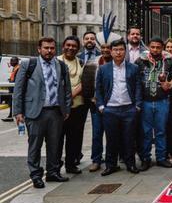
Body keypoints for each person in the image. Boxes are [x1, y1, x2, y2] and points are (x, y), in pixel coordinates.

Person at [13, 37, 72, 188]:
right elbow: (18, 89)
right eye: (46, 48)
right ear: (39, 49)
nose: (49, 51)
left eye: (52, 48)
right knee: (35, 145)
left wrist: (66, 108)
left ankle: (52, 172)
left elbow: (66, 89)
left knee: (54, 145)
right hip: (35, 113)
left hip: (56, 112)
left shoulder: (61, 65)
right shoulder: (29, 65)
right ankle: (36, 175)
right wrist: (18, 111)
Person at [95, 39, 141, 176]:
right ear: (111, 52)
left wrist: (137, 106)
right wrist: (102, 106)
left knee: (129, 138)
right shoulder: (103, 69)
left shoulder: (133, 68)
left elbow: (138, 87)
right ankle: (111, 165)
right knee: (111, 139)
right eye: (115, 50)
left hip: (129, 108)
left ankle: (130, 163)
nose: (118, 52)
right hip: (111, 109)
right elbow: (99, 89)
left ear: (125, 51)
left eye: (121, 49)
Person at [81, 20, 121, 172]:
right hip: (97, 105)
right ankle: (96, 159)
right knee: (97, 133)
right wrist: (92, 99)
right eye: (103, 47)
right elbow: (86, 82)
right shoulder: (93, 63)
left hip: (114, 104)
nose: (105, 50)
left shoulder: (119, 63)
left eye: (107, 48)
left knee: (113, 135)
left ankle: (113, 160)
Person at [135, 38, 172, 170]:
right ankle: (145, 158)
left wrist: (170, 83)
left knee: (161, 131)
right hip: (145, 102)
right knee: (146, 132)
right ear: (149, 47)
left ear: (162, 48)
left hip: (162, 101)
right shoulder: (140, 61)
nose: (155, 49)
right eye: (153, 47)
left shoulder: (169, 61)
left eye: (158, 47)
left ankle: (161, 158)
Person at [57, 36, 86, 174]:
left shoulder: (80, 62)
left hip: (77, 106)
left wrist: (73, 94)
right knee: (57, 138)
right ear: (63, 46)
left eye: (74, 46)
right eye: (68, 45)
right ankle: (55, 166)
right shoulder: (56, 61)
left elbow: (84, 81)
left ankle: (71, 164)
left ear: (78, 48)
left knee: (73, 137)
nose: (71, 48)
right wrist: (66, 96)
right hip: (59, 107)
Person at [2, 57, 20, 122]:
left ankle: (12, 116)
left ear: (17, 61)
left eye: (12, 61)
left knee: (14, 102)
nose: (11, 62)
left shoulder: (18, 68)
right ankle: (10, 116)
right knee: (11, 102)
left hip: (15, 89)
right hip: (12, 88)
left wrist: (12, 82)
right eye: (11, 61)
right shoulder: (15, 68)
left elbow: (18, 79)